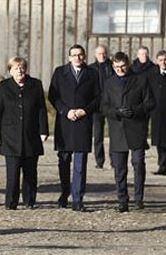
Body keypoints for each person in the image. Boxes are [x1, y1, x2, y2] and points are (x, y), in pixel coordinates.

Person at [100, 52, 155, 212]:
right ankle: (122, 199)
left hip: (136, 126)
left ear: (128, 64)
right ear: (113, 67)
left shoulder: (140, 79)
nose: (120, 69)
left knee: (138, 163)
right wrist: (116, 112)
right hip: (117, 128)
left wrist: (134, 110)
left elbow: (151, 102)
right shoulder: (109, 82)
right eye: (116, 67)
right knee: (119, 167)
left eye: (123, 66)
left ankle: (139, 198)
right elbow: (103, 106)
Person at [0, 57, 48, 210]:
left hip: (31, 135)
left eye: (22, 67)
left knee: (30, 171)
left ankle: (29, 200)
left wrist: (44, 130)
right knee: (13, 172)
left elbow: (42, 110)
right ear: (10, 71)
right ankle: (11, 202)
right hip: (10, 135)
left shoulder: (35, 85)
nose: (20, 71)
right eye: (16, 68)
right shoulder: (4, 86)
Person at [48, 44, 101, 211]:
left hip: (83, 121)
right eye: (74, 55)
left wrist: (84, 110)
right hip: (65, 122)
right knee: (64, 161)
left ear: (84, 56)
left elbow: (98, 97)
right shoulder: (59, 72)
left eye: (80, 55)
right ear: (69, 57)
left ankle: (78, 199)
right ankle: (64, 193)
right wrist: (65, 111)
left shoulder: (92, 73)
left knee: (80, 163)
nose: (77, 58)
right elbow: (53, 95)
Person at [89, 45, 113, 170]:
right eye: (99, 54)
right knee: (98, 135)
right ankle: (99, 161)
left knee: (114, 134)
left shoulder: (112, 67)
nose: (102, 56)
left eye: (104, 53)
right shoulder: (90, 69)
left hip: (111, 105)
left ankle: (114, 160)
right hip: (97, 106)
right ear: (95, 55)